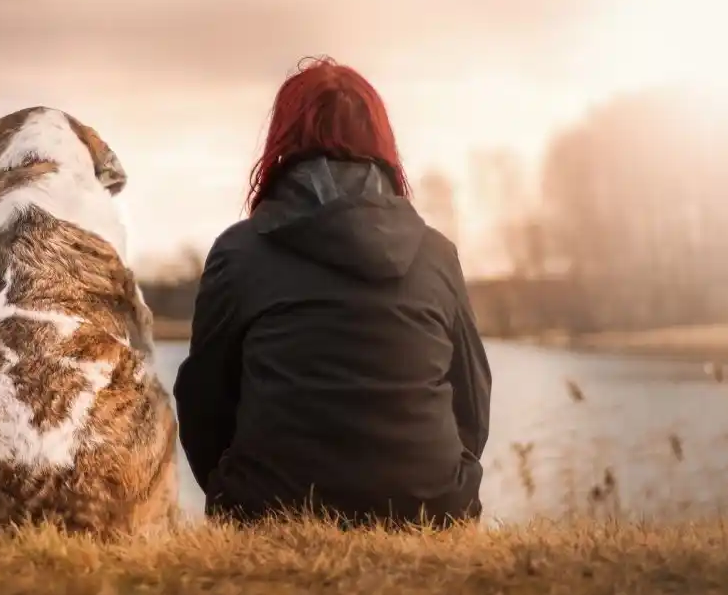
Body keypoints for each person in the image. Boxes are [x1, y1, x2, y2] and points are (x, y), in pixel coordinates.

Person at [173, 56, 491, 528]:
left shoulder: (239, 252)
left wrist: (232, 489)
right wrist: (438, 486)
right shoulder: (436, 254)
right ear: (382, 143)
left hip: (269, 510)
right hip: (432, 510)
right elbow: (472, 400)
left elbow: (203, 403)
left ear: (282, 142)